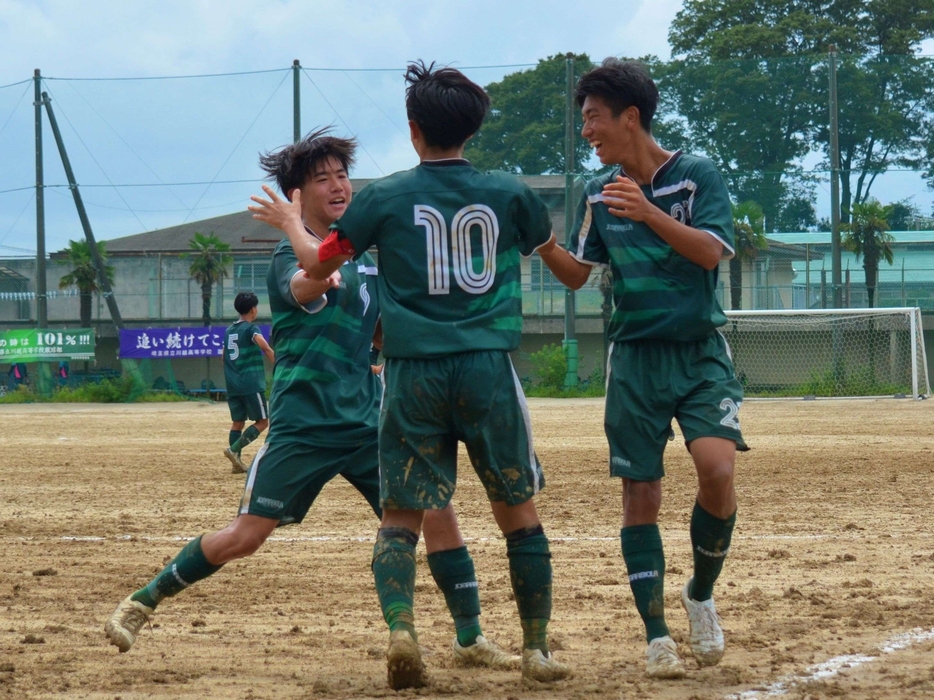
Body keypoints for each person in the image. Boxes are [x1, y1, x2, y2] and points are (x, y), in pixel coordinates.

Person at [105, 129, 518, 676]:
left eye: (342, 174)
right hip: (304, 425)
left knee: (439, 515)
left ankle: (463, 637)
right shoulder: (285, 256)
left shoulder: (368, 258)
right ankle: (142, 600)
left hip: (371, 422)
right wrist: (292, 229)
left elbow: (377, 334)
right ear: (297, 197)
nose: (339, 185)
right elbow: (310, 286)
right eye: (322, 179)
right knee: (245, 537)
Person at [250, 63, 571, 689]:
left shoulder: (384, 198)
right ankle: (535, 650)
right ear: (471, 127)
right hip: (486, 365)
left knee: (400, 515)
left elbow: (318, 264)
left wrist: (291, 224)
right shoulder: (510, 192)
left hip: (411, 372)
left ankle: (402, 628)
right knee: (518, 509)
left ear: (414, 128)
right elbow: (548, 250)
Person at [536, 58, 747, 679]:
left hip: (700, 352)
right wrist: (541, 241)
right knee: (641, 492)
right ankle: (657, 635)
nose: (588, 132)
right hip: (633, 359)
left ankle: (699, 595)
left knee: (717, 468)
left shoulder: (695, 175)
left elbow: (711, 252)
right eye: (583, 122)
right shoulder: (596, 191)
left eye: (594, 119)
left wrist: (650, 213)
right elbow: (578, 274)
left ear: (631, 117)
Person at [223, 292, 275, 473]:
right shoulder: (251, 329)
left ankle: (235, 463)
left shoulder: (229, 331)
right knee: (262, 421)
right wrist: (280, 367)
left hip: (233, 384)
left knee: (238, 421)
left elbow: (224, 355)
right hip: (251, 383)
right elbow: (265, 347)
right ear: (253, 309)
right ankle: (234, 450)